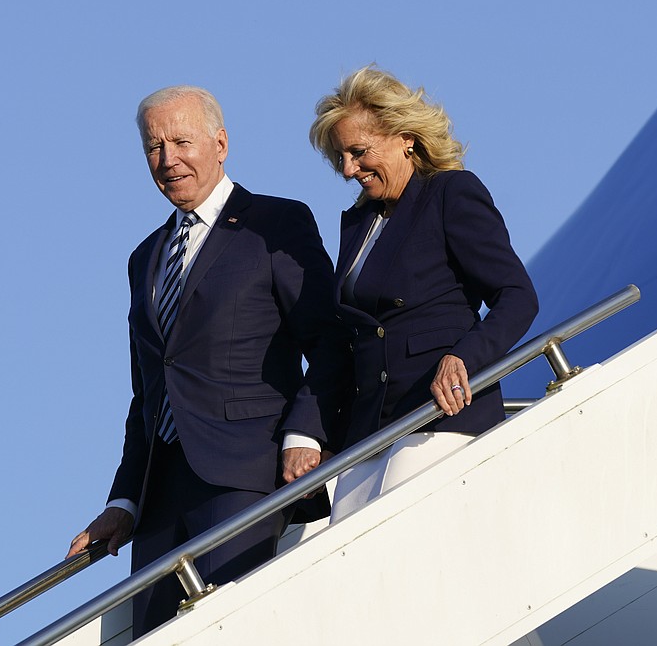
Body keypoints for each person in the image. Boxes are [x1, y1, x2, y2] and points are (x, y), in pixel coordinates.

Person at [67, 85, 348, 638]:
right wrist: (123, 498)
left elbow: (331, 339)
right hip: (157, 497)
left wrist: (306, 432)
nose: (168, 160)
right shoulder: (143, 258)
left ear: (220, 144)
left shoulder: (276, 224)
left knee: (230, 631)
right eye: (153, 147)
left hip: (244, 472)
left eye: (181, 141)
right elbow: (147, 393)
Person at [309, 66, 539, 521]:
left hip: (439, 417)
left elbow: (517, 295)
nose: (349, 169)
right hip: (370, 429)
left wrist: (466, 359)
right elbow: (347, 339)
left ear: (404, 137)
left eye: (358, 152)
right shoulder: (358, 223)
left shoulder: (451, 194)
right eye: (341, 158)